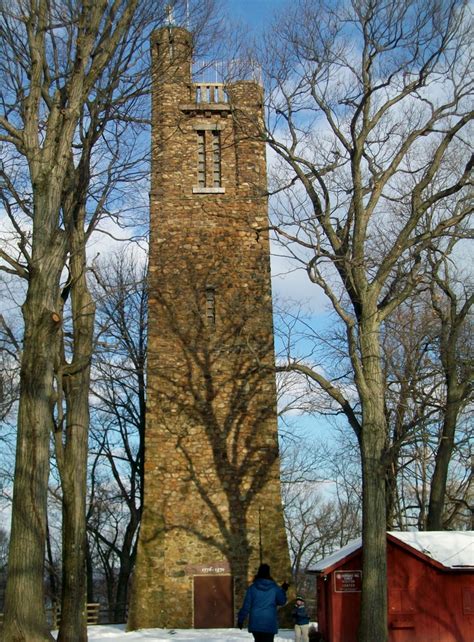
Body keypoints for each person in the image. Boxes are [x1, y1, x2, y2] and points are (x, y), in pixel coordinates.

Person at [237, 563, 289, 642]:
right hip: (269, 622)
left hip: (256, 622)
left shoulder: (252, 588)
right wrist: (283, 590)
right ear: (269, 573)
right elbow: (282, 601)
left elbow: (246, 606)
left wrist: (241, 619)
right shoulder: (275, 588)